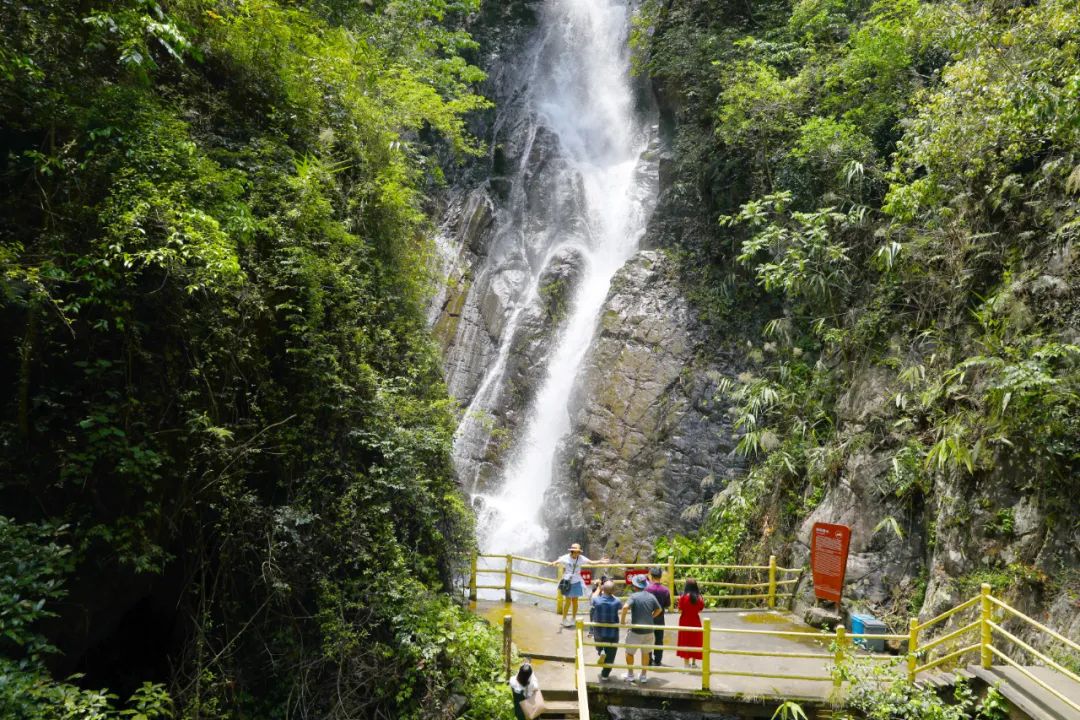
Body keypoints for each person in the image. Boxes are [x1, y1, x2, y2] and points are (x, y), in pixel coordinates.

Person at [550, 543, 609, 628]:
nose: (578, 553)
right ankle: (564, 618)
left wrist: (601, 561)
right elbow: (558, 560)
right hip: (568, 582)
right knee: (567, 601)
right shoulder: (566, 557)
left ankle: (573, 618)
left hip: (577, 581)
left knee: (575, 601)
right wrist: (554, 563)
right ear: (572, 551)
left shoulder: (581, 558)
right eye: (577, 552)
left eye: (579, 552)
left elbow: (591, 562)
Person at [619, 573, 662, 684]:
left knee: (629, 652)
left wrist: (622, 622)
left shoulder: (633, 596)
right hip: (649, 630)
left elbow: (624, 608)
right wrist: (651, 617)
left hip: (636, 631)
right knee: (646, 653)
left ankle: (630, 674)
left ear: (635, 586)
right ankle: (643, 676)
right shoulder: (651, 596)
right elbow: (659, 609)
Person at [590, 580, 623, 682]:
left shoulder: (596, 601)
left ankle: (601, 652)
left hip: (599, 632)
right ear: (613, 591)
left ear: (603, 589)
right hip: (612, 633)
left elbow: (593, 597)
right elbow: (621, 606)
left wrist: (599, 588)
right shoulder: (617, 601)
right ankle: (605, 675)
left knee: (599, 646)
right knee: (611, 655)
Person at [676, 578, 705, 668]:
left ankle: (686, 664)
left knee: (685, 641)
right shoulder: (699, 597)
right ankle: (693, 662)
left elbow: (680, 610)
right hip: (695, 621)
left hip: (684, 620)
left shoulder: (683, 597)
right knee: (695, 641)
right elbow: (700, 609)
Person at [644, 566, 671, 666]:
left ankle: (649, 659)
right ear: (660, 576)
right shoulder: (665, 590)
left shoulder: (647, 589)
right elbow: (668, 604)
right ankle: (658, 660)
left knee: (648, 639)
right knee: (659, 639)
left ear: (651, 576)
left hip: (648, 617)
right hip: (660, 617)